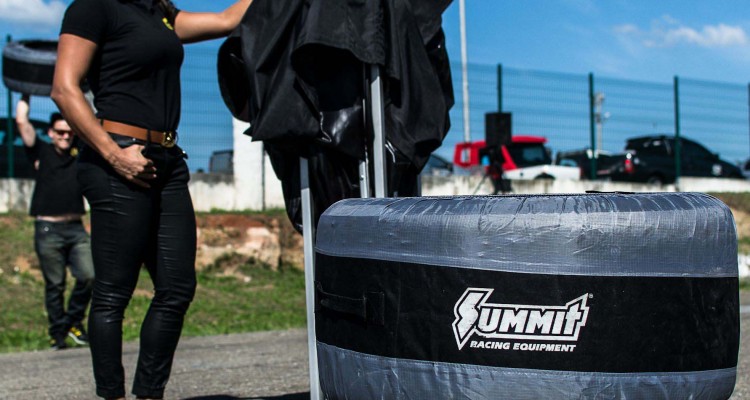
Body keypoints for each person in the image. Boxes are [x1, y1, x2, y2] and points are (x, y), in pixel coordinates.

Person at [51, 0, 253, 398]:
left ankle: (149, 393)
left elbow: (226, 19)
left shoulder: (160, 13)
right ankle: (112, 394)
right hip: (116, 156)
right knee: (113, 293)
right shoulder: (94, 8)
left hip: (167, 159)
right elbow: (63, 87)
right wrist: (113, 154)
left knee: (177, 287)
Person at [15, 95, 95, 350]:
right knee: (55, 284)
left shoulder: (78, 153)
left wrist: (80, 95)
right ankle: (57, 334)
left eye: (69, 133)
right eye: (60, 132)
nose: (65, 136)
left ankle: (72, 322)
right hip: (48, 229)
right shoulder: (40, 151)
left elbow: (89, 121)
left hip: (75, 228)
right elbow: (21, 121)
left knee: (89, 276)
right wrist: (25, 89)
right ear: (50, 133)